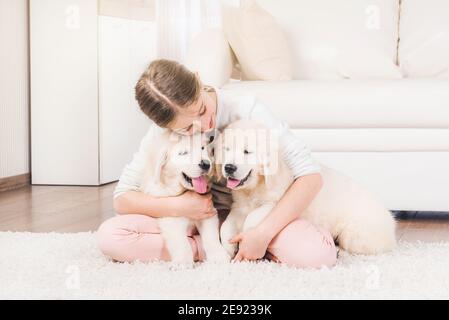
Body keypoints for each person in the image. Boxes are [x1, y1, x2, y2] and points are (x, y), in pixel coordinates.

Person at [96, 59, 337, 268]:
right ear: (166, 127)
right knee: (112, 237)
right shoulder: (161, 134)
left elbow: (310, 176)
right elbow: (123, 198)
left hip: (252, 213)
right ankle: (216, 248)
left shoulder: (246, 108)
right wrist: (180, 206)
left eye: (201, 109)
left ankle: (246, 243)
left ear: (199, 81)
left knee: (317, 254)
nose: (204, 124)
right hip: (196, 220)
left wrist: (262, 234)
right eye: (187, 128)